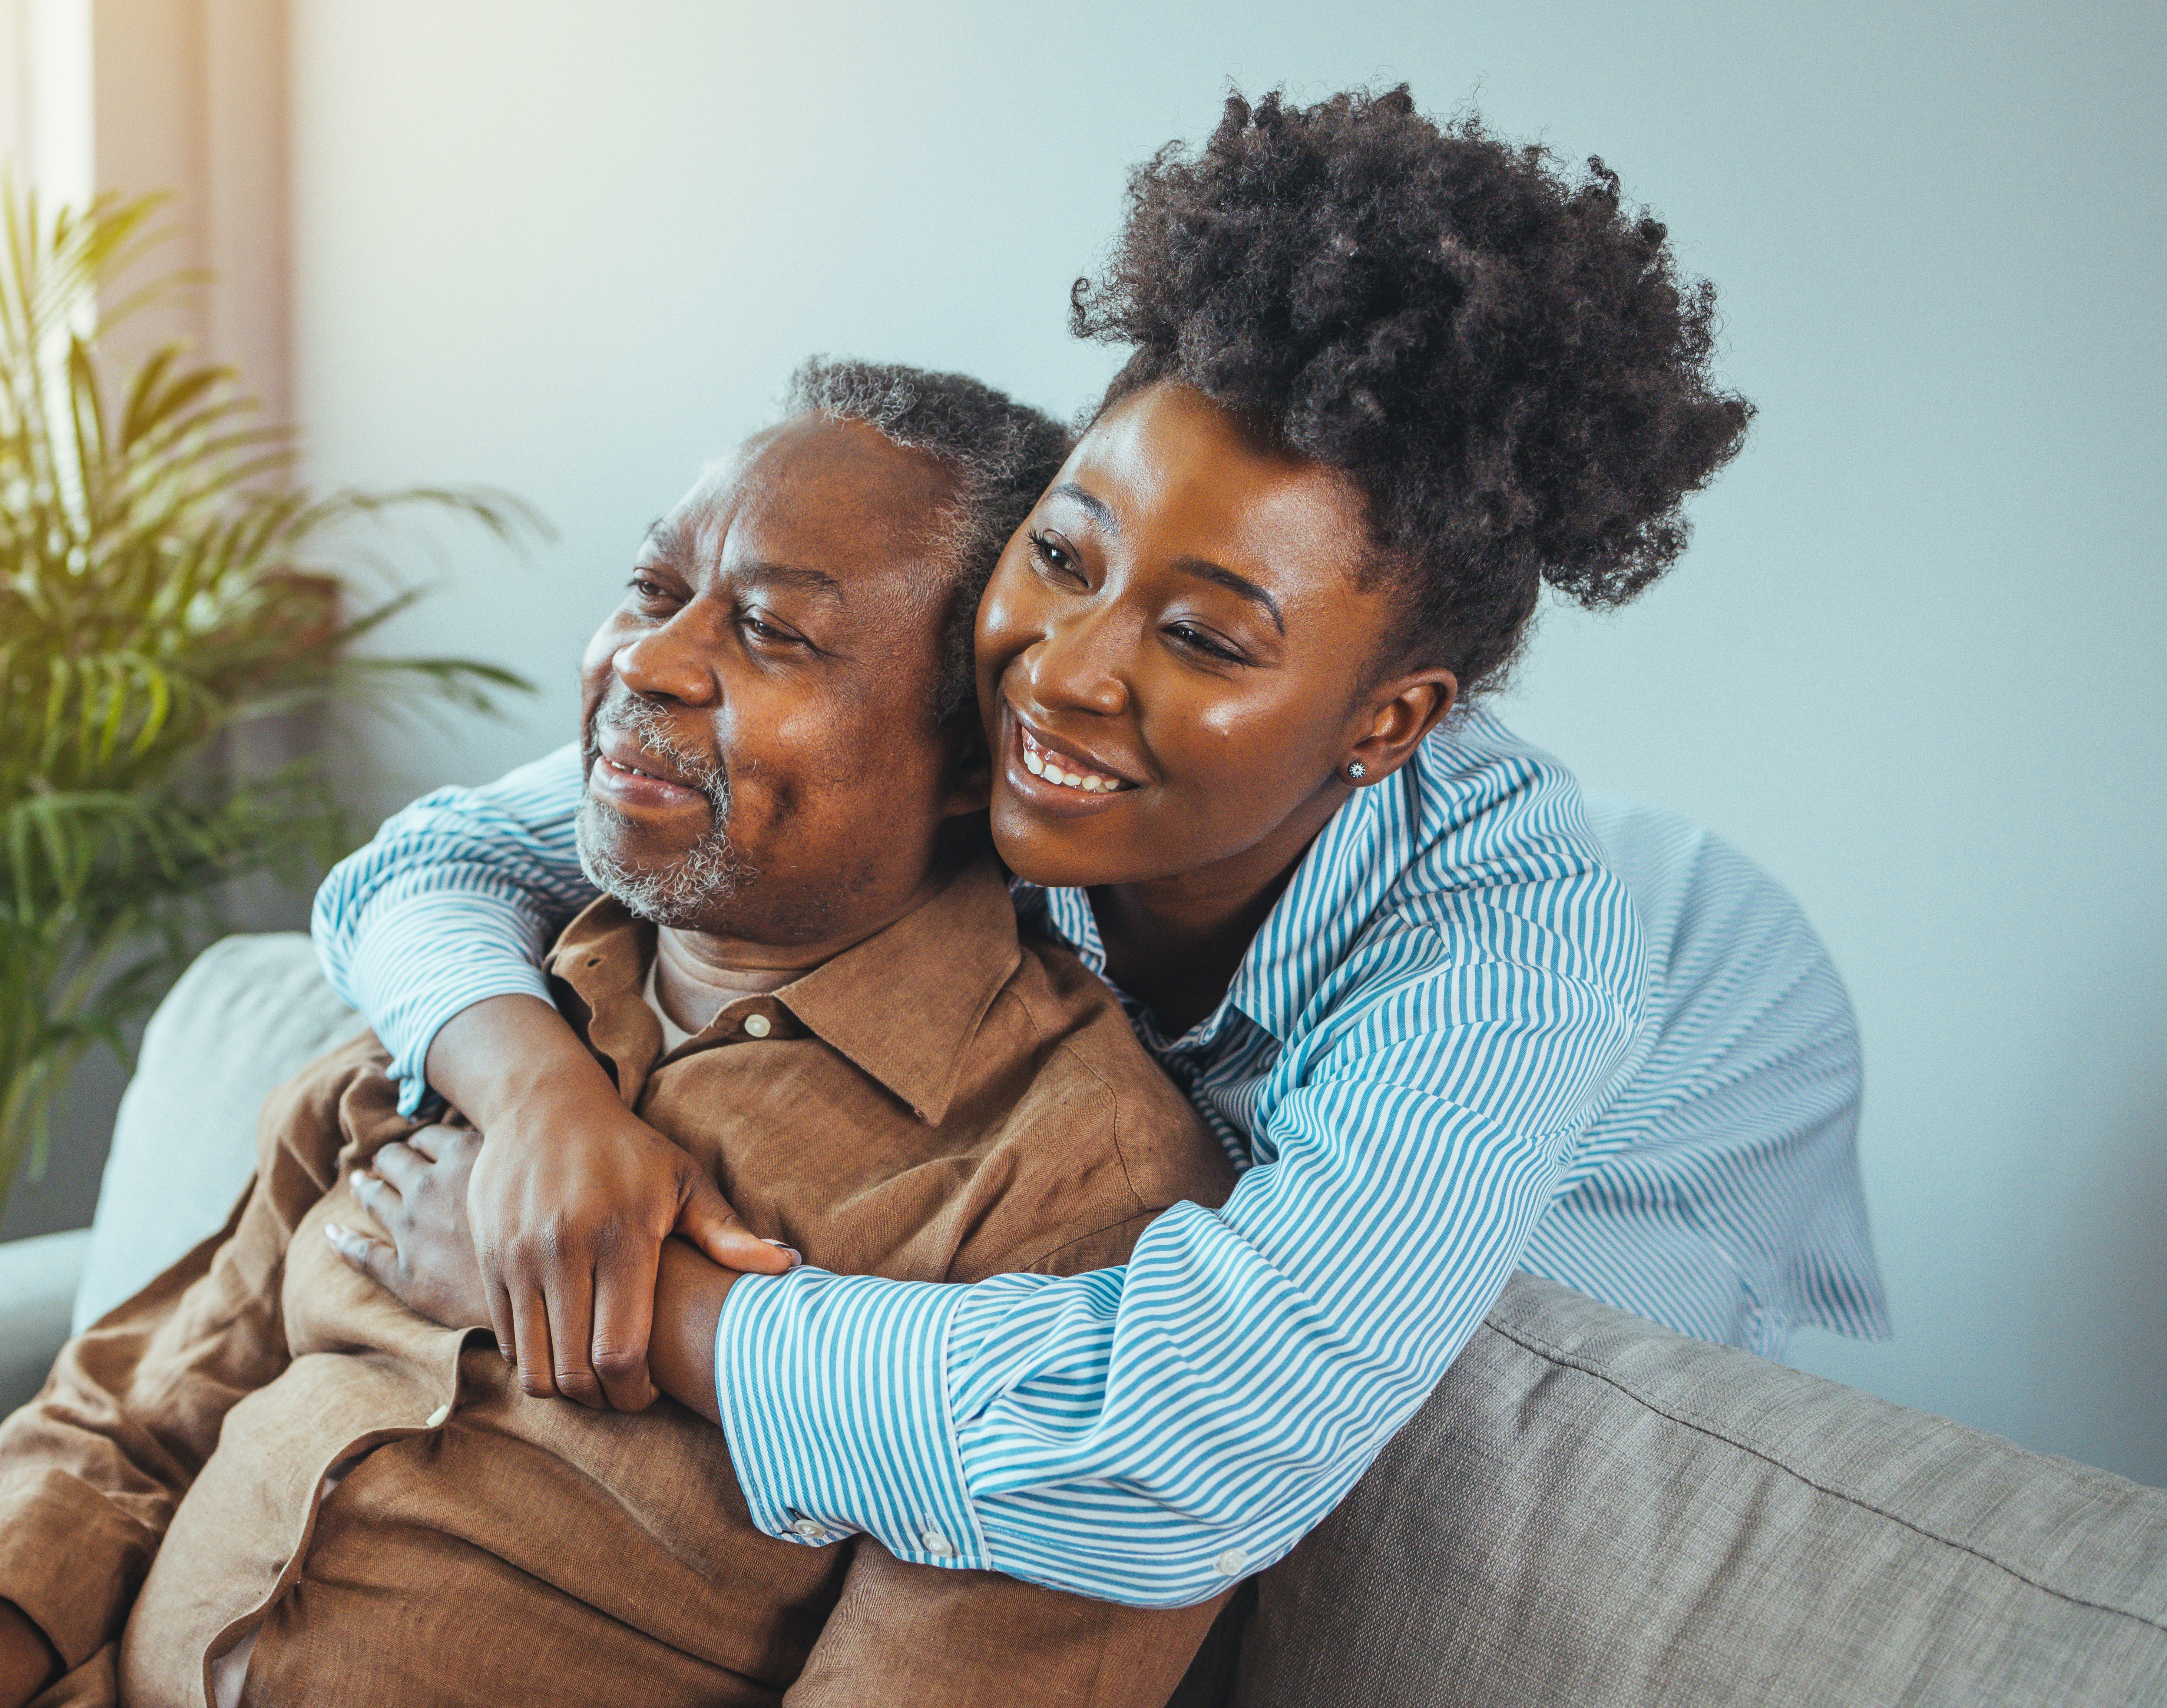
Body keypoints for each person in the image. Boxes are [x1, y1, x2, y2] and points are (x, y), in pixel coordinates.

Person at [0, 364, 1243, 1708]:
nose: (650, 663)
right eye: (654, 590)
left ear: (984, 759)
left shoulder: (1070, 1187)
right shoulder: (492, 998)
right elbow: (129, 1420)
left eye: (776, 633)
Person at [314, 86, 1889, 1613]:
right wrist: (537, 1103)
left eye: (1203, 639)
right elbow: (431, 864)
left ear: (1387, 720)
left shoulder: (1501, 953)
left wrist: (647, 1306)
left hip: (1696, 1071)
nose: (1060, 669)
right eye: (1061, 555)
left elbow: (1175, 1457)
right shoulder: (988, 721)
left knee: (1453, 1479)